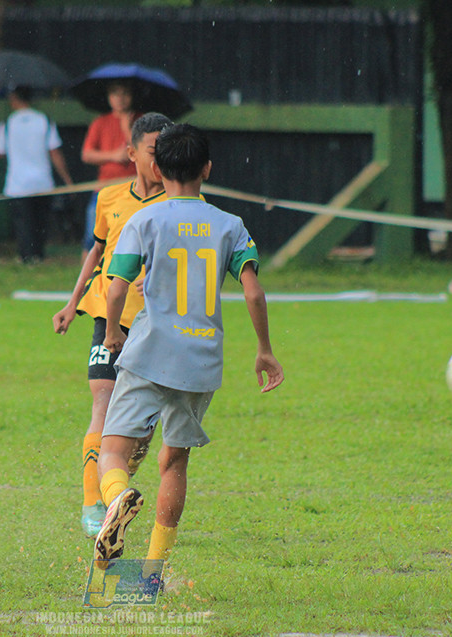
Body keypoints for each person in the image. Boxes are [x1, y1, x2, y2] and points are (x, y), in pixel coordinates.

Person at [93, 123, 284, 574]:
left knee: (114, 451)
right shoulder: (230, 226)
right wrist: (264, 350)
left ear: (156, 169)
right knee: (174, 461)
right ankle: (152, 571)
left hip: (150, 352)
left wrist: (112, 336)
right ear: (208, 169)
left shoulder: (145, 220)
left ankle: (119, 497)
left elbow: (116, 287)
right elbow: (254, 294)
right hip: (201, 361)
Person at [52, 112, 172, 538]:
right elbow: (96, 251)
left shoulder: (178, 205)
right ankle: (92, 504)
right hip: (108, 315)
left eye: (166, 155)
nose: (160, 163)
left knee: (140, 429)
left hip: (156, 322)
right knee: (101, 404)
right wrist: (71, 303)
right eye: (154, 153)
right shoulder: (109, 198)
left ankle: (114, 486)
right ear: (132, 153)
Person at [0, 86, 73, 263]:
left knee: (23, 223)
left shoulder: (6, 123)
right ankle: (39, 254)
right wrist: (67, 180)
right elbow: (55, 152)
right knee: (40, 221)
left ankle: (26, 256)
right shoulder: (44, 120)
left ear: (14, 99)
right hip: (42, 182)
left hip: (17, 184)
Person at [80, 82, 138, 256]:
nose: (120, 99)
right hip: (104, 189)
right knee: (93, 236)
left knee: (130, 238)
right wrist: (113, 156)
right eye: (115, 93)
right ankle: (87, 280)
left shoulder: (141, 121)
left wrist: (127, 129)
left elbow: (143, 151)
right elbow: (87, 154)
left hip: (133, 190)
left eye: (125, 93)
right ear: (108, 97)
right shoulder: (100, 122)